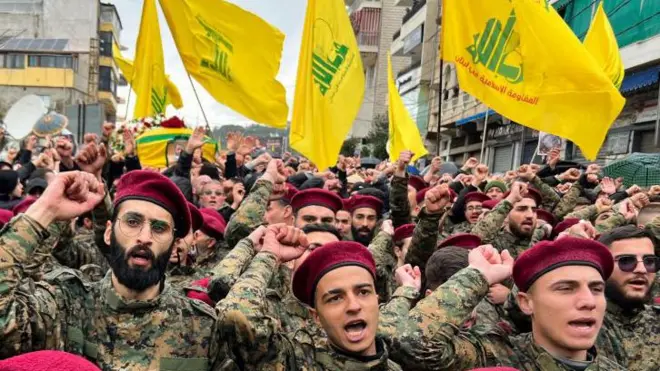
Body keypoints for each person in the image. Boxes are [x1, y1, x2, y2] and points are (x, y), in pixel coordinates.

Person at [0, 170, 228, 369]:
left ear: (174, 243)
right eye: (132, 222)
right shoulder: (65, 305)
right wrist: (45, 210)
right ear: (108, 233)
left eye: (159, 228)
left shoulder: (202, 327)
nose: (144, 238)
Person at [393, 238, 625, 370]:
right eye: (565, 288)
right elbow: (413, 345)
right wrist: (477, 275)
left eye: (596, 289)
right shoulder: (495, 354)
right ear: (526, 303)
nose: (588, 302)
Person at [216, 230, 404, 370]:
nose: (353, 306)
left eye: (363, 292)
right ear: (316, 316)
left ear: (377, 301)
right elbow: (236, 314)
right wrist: (268, 256)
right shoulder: (296, 362)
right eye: (335, 298)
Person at [595, 226, 659, 371]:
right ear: (602, 267)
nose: (641, 270)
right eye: (626, 261)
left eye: (649, 261)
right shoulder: (583, 324)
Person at [471, 182, 542, 258]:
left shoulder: (538, 247)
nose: (530, 215)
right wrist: (511, 199)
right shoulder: (495, 244)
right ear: (506, 214)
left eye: (534, 210)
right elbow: (476, 238)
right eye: (521, 209)